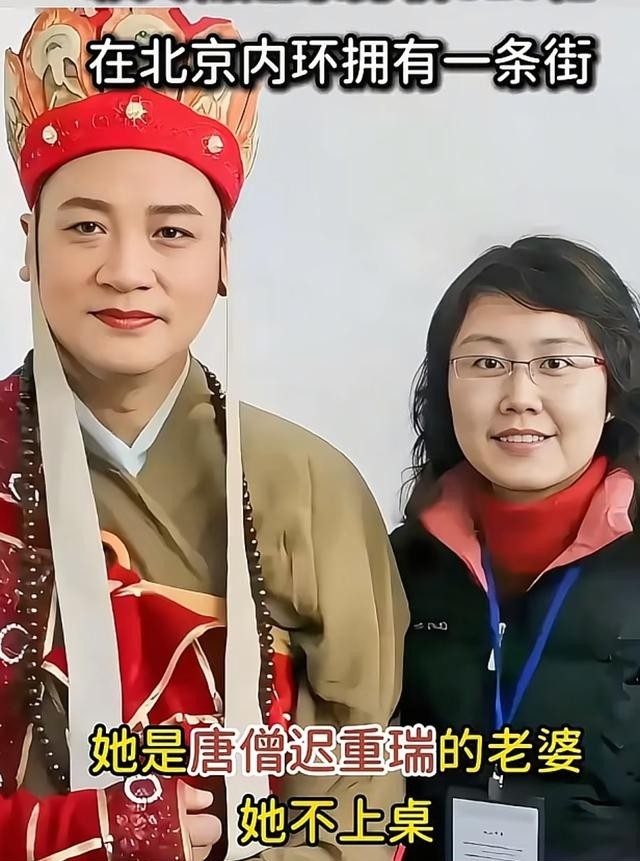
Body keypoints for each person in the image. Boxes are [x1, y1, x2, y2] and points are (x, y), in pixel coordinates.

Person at [0, 7, 408, 861]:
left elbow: (355, 775)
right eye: (84, 225)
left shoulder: (308, 484)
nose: (126, 270)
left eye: (172, 231)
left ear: (223, 256)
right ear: (30, 245)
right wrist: (87, 834)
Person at [392, 236, 640, 861]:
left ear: (614, 387)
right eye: (486, 362)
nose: (520, 396)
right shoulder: (396, 567)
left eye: (556, 363)